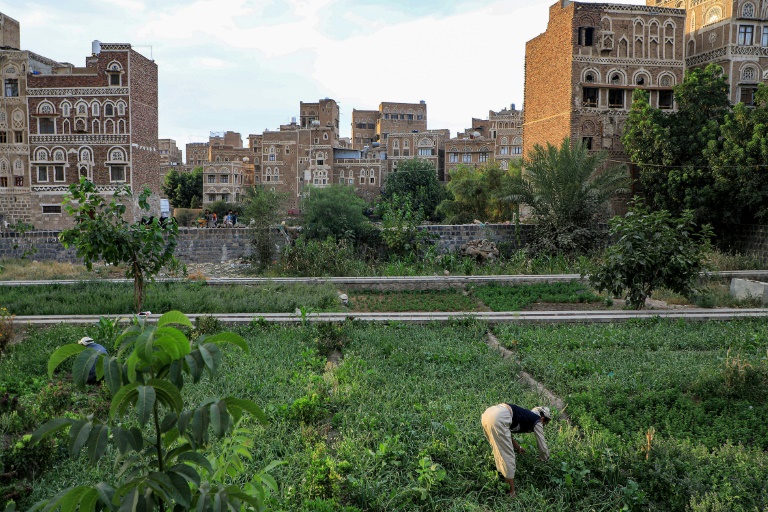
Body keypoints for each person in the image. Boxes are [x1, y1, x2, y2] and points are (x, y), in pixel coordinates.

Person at [481, 403, 552, 498]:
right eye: (544, 424)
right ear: (543, 419)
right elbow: (542, 446)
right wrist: (545, 458)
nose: (543, 426)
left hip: (488, 413)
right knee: (508, 456)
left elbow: (506, 433)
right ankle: (511, 493)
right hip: (499, 417)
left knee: (499, 448)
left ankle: (500, 473)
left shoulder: (526, 415)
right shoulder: (537, 420)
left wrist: (518, 447)